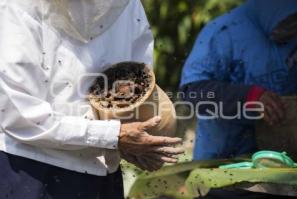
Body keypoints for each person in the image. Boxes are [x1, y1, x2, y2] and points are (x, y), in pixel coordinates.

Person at [0, 0, 183, 198]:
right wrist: (114, 136)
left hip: (103, 175)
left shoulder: (127, 5)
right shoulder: (16, 6)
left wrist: (137, 142)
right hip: (33, 171)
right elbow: (18, 115)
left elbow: (137, 89)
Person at [180, 0, 297, 198]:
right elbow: (192, 92)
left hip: (286, 167)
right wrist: (249, 97)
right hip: (224, 169)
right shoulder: (223, 32)